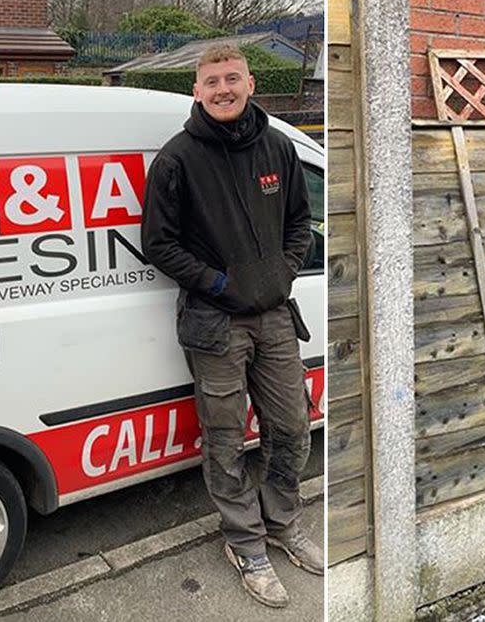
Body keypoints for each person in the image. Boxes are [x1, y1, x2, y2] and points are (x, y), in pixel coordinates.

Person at [141, 45, 321, 607]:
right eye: (211, 80)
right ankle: (245, 543)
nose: (222, 88)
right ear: (196, 91)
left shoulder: (277, 148)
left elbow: (300, 222)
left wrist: (284, 272)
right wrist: (218, 285)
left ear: (250, 84)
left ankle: (281, 523)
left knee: (291, 427)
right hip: (214, 322)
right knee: (224, 439)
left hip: (273, 316)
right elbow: (158, 245)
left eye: (232, 78)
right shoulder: (176, 159)